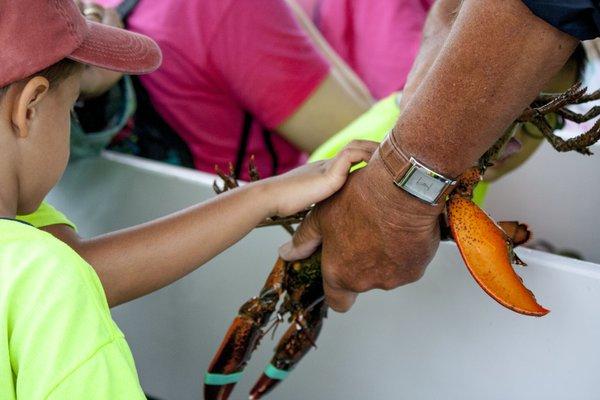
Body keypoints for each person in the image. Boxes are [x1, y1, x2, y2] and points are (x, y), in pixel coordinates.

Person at [0, 2, 376, 399]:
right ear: (29, 108)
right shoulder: (51, 277)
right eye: (73, 107)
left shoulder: (36, 257)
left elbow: (79, 269)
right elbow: (65, 276)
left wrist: (264, 194)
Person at [283, 0, 594, 312]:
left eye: (541, 122)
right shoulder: (384, 150)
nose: (512, 139)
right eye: (505, 111)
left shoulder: (467, 166)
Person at [96, 0, 374, 180]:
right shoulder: (224, 7)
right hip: (249, 238)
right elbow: (360, 144)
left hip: (139, 227)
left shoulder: (94, 7)